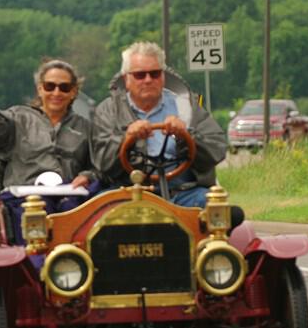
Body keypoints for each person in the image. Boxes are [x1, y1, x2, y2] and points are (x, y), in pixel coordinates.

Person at [92, 41, 227, 208]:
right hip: (128, 192)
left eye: (154, 74)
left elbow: (217, 149)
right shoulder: (108, 110)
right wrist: (126, 138)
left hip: (183, 192)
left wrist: (186, 135)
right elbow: (101, 163)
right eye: (140, 75)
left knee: (218, 208)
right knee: (99, 210)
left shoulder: (185, 106)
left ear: (163, 77)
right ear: (126, 79)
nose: (148, 80)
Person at [0, 39, 97, 191]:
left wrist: (88, 176)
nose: (56, 93)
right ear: (40, 89)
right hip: (23, 198)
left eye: (64, 88)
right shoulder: (17, 119)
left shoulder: (86, 128)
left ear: (74, 92)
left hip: (70, 198)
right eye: (49, 86)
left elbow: (100, 167)